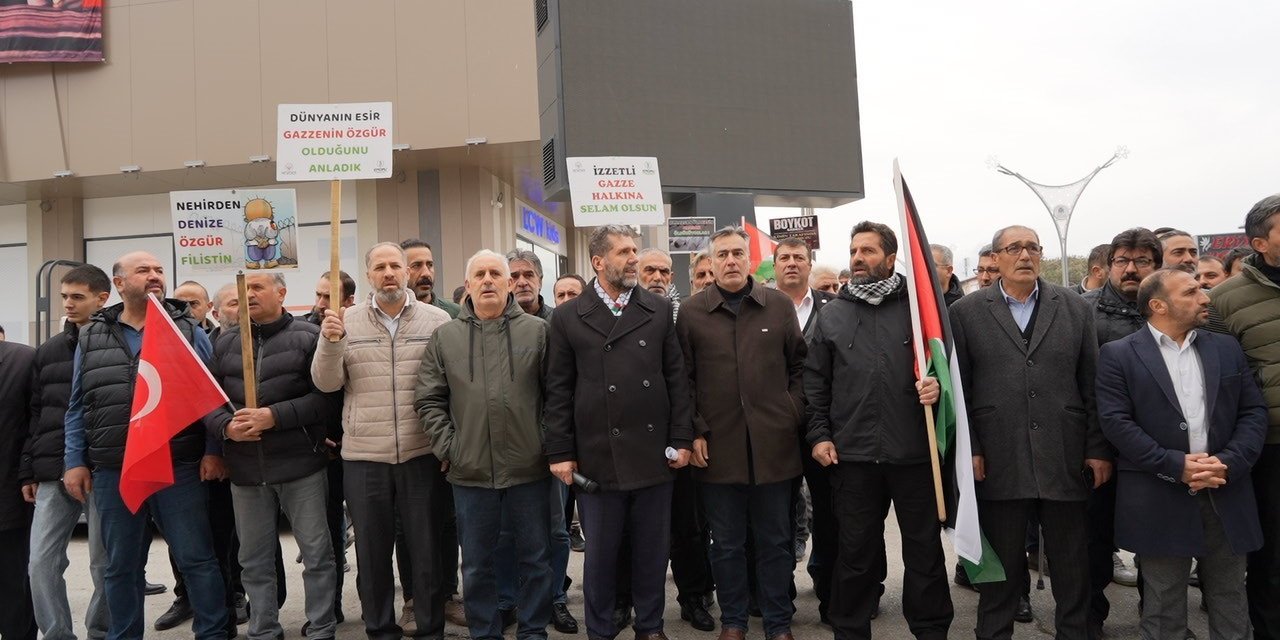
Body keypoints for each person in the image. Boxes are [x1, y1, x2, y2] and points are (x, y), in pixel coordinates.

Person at [949, 226, 1111, 640]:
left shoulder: (1075, 308)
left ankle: (1074, 632)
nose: (1025, 254)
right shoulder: (966, 313)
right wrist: (973, 448)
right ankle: (993, 631)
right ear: (997, 258)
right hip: (998, 455)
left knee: (1072, 564)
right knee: (1001, 566)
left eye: (1032, 247)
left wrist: (1097, 447)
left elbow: (1091, 382)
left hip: (1065, 452)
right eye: (1014, 248)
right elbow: (962, 387)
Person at [62, 251, 229, 640]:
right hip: (115, 470)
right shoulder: (92, 334)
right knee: (120, 566)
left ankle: (213, 633)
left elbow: (211, 398)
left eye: (158, 270)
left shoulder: (187, 329)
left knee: (197, 559)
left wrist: (213, 450)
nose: (154, 276)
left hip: (179, 466)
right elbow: (77, 404)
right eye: (143, 271)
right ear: (119, 284)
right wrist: (74, 460)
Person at [1098, 268, 1267, 639]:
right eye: (1191, 292)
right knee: (1163, 602)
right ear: (1158, 305)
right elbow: (1116, 423)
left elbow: (1253, 412)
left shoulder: (1225, 347)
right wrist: (1175, 465)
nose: (1205, 297)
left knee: (1230, 596)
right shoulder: (1118, 355)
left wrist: (1229, 462)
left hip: (1226, 488)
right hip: (1159, 495)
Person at [544, 225, 693, 640]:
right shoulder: (568, 315)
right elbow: (557, 389)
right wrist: (559, 451)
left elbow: (676, 379)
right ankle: (600, 630)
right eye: (625, 251)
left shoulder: (658, 310)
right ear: (598, 261)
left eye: (635, 250)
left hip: (652, 453)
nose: (634, 258)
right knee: (602, 557)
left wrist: (681, 439)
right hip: (596, 456)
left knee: (651, 552)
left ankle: (650, 627)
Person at [805, 222, 953, 640]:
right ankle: (849, 629)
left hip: (914, 454)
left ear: (891, 259)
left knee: (924, 552)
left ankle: (930, 629)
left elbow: (948, 369)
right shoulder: (832, 314)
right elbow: (815, 384)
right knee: (855, 554)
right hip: (853, 458)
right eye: (854, 250)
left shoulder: (921, 311)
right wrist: (819, 435)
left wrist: (937, 386)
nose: (857, 258)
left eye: (868, 250)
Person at [311, 242, 452, 640]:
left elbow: (450, 387)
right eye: (380, 267)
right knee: (371, 557)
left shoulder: (436, 320)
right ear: (369, 275)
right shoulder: (344, 321)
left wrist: (445, 445)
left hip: (421, 454)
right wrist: (330, 340)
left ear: (407, 272)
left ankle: (429, 629)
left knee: (426, 553)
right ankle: (379, 629)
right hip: (364, 457)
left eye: (395, 265)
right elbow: (327, 382)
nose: (389, 273)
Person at [416, 250, 555, 640]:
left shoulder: (538, 332)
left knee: (536, 560)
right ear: (469, 284)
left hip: (530, 469)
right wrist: (450, 448)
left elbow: (557, 396)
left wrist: (543, 442)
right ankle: (485, 632)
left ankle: (532, 631)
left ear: (510, 283)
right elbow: (429, 399)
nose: (489, 280)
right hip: (471, 472)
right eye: (480, 274)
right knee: (477, 565)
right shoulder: (446, 337)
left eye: (497, 273)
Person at [678, 226, 808, 640]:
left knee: (775, 542)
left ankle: (777, 623)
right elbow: (684, 379)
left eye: (738, 253)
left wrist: (791, 412)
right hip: (717, 449)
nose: (731, 261)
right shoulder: (693, 312)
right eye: (723, 255)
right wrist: (694, 430)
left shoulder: (777, 306)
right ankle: (733, 622)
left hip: (774, 448)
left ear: (750, 259)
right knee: (727, 545)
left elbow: (800, 368)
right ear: (711, 263)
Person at [205, 272, 340, 640]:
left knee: (317, 554)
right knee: (254, 560)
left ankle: (322, 626)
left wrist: (274, 417)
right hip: (246, 471)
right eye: (244, 289)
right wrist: (225, 428)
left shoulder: (308, 338)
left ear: (281, 293)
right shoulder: (225, 343)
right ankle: (264, 629)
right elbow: (209, 400)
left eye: (258, 288)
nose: (249, 295)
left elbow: (327, 398)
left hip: (301, 465)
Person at [22, 265, 111, 640]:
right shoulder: (48, 351)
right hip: (52, 471)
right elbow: (36, 415)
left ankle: (102, 631)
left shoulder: (117, 343)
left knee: (105, 563)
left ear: (102, 298)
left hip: (104, 469)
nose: (68, 304)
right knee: (40, 563)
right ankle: (57, 634)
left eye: (77, 296)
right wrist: (28, 470)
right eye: (64, 297)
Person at [1080, 228, 1161, 634]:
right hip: (1100, 447)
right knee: (1094, 539)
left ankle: (1159, 615)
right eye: (1122, 261)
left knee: (1158, 540)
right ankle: (1090, 617)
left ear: (1156, 266)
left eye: (1141, 261)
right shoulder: (1081, 310)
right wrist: (1093, 444)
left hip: (1161, 447)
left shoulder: (1172, 306)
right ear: (1108, 265)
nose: (1130, 269)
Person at [1208, 194, 1280, 639]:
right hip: (1269, 447)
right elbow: (1221, 383)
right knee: (1271, 559)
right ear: (1259, 241)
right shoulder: (1223, 301)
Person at [772, 237, 837, 623]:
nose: (792, 263)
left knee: (829, 517)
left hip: (825, 428)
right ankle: (779, 599)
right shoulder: (759, 306)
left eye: (799, 257)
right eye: (785, 258)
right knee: (776, 519)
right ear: (774, 265)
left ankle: (832, 597)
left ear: (810, 264)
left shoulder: (835, 308)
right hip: (776, 430)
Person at [305, 270, 357, 627]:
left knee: (371, 531)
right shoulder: (306, 332)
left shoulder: (362, 330)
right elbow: (303, 387)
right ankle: (331, 603)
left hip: (360, 445)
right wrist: (314, 434)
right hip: (321, 449)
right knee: (327, 532)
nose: (321, 304)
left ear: (349, 301)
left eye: (330, 298)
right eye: (319, 295)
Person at [0, 328, 37, 640]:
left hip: (9, 489)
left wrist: (28, 473)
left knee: (14, 578)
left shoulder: (21, 360)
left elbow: (36, 422)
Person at [402, 239, 461, 319]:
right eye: (416, 265)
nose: (426, 273)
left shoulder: (455, 313)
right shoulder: (390, 314)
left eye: (430, 265)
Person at [507, 249, 554, 320]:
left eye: (528, 275)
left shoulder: (558, 320)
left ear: (540, 281)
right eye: (514, 276)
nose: (522, 283)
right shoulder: (498, 323)